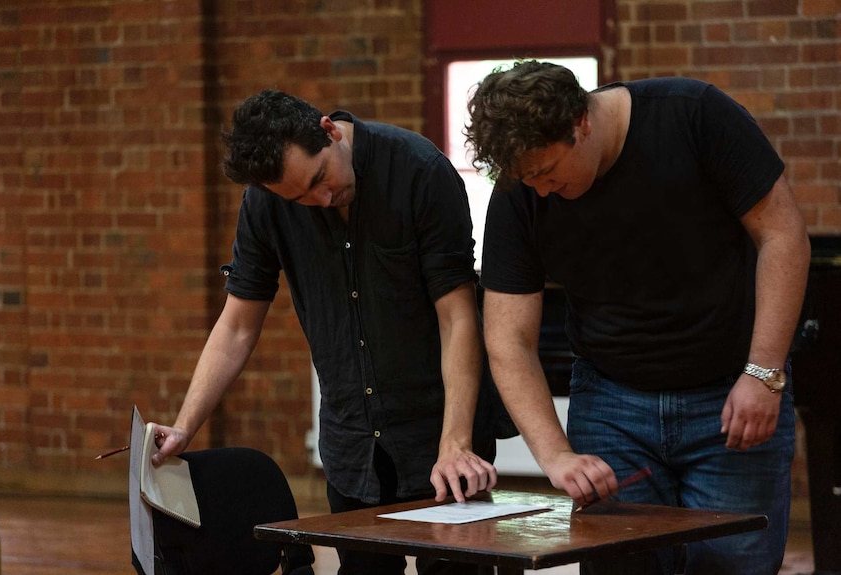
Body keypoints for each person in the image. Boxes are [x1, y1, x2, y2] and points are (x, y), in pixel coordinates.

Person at [464, 60, 810, 575]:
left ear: (580, 122)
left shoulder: (694, 116)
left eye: (546, 173)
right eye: (526, 179)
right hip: (611, 406)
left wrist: (763, 372)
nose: (539, 190)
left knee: (732, 566)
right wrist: (556, 456)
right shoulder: (520, 195)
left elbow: (783, 235)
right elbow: (507, 340)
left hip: (732, 395)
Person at [151, 89, 500, 575]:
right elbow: (236, 325)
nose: (322, 197)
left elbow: (459, 316)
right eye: (301, 197)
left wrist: (456, 443)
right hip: (353, 444)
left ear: (329, 131)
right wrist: (185, 426)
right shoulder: (265, 203)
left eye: (320, 178)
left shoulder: (418, 170)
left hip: (442, 434)